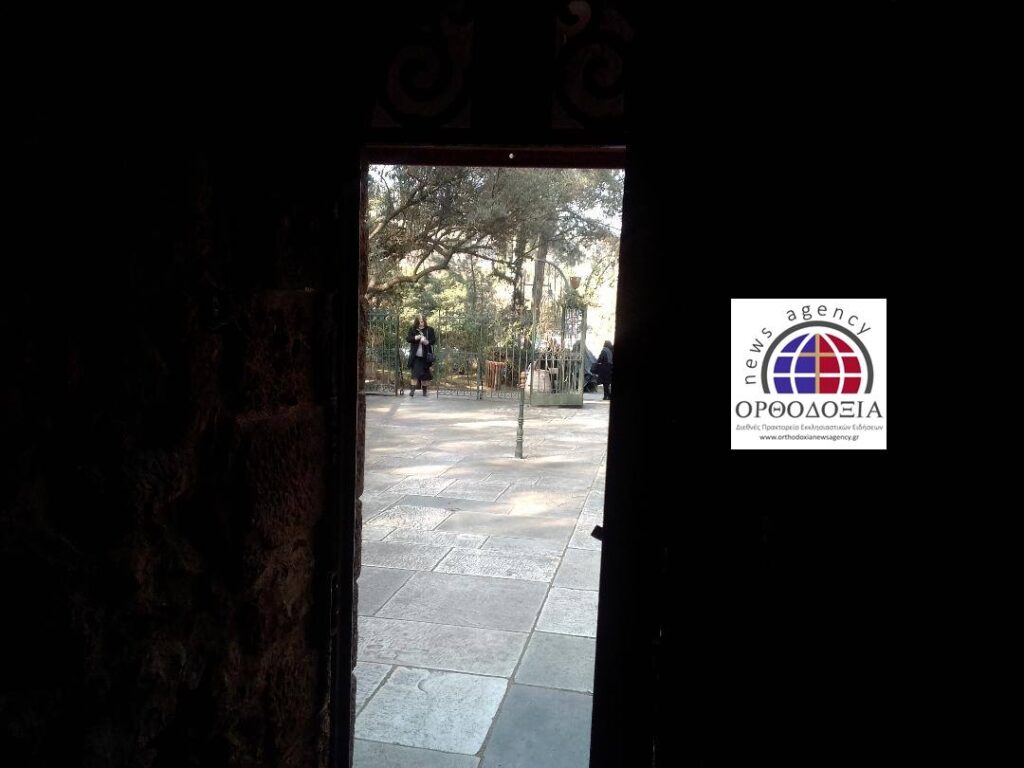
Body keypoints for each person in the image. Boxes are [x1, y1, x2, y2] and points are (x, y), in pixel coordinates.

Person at [406, 313, 437, 397]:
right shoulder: (413, 329)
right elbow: (408, 339)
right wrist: (415, 338)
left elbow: (433, 340)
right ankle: (412, 391)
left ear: (425, 321)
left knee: (425, 375)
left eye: (422, 321)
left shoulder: (429, 329)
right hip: (415, 356)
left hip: (426, 356)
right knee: (415, 374)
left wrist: (426, 341)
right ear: (416, 322)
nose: (421, 323)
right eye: (419, 322)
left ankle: (424, 391)